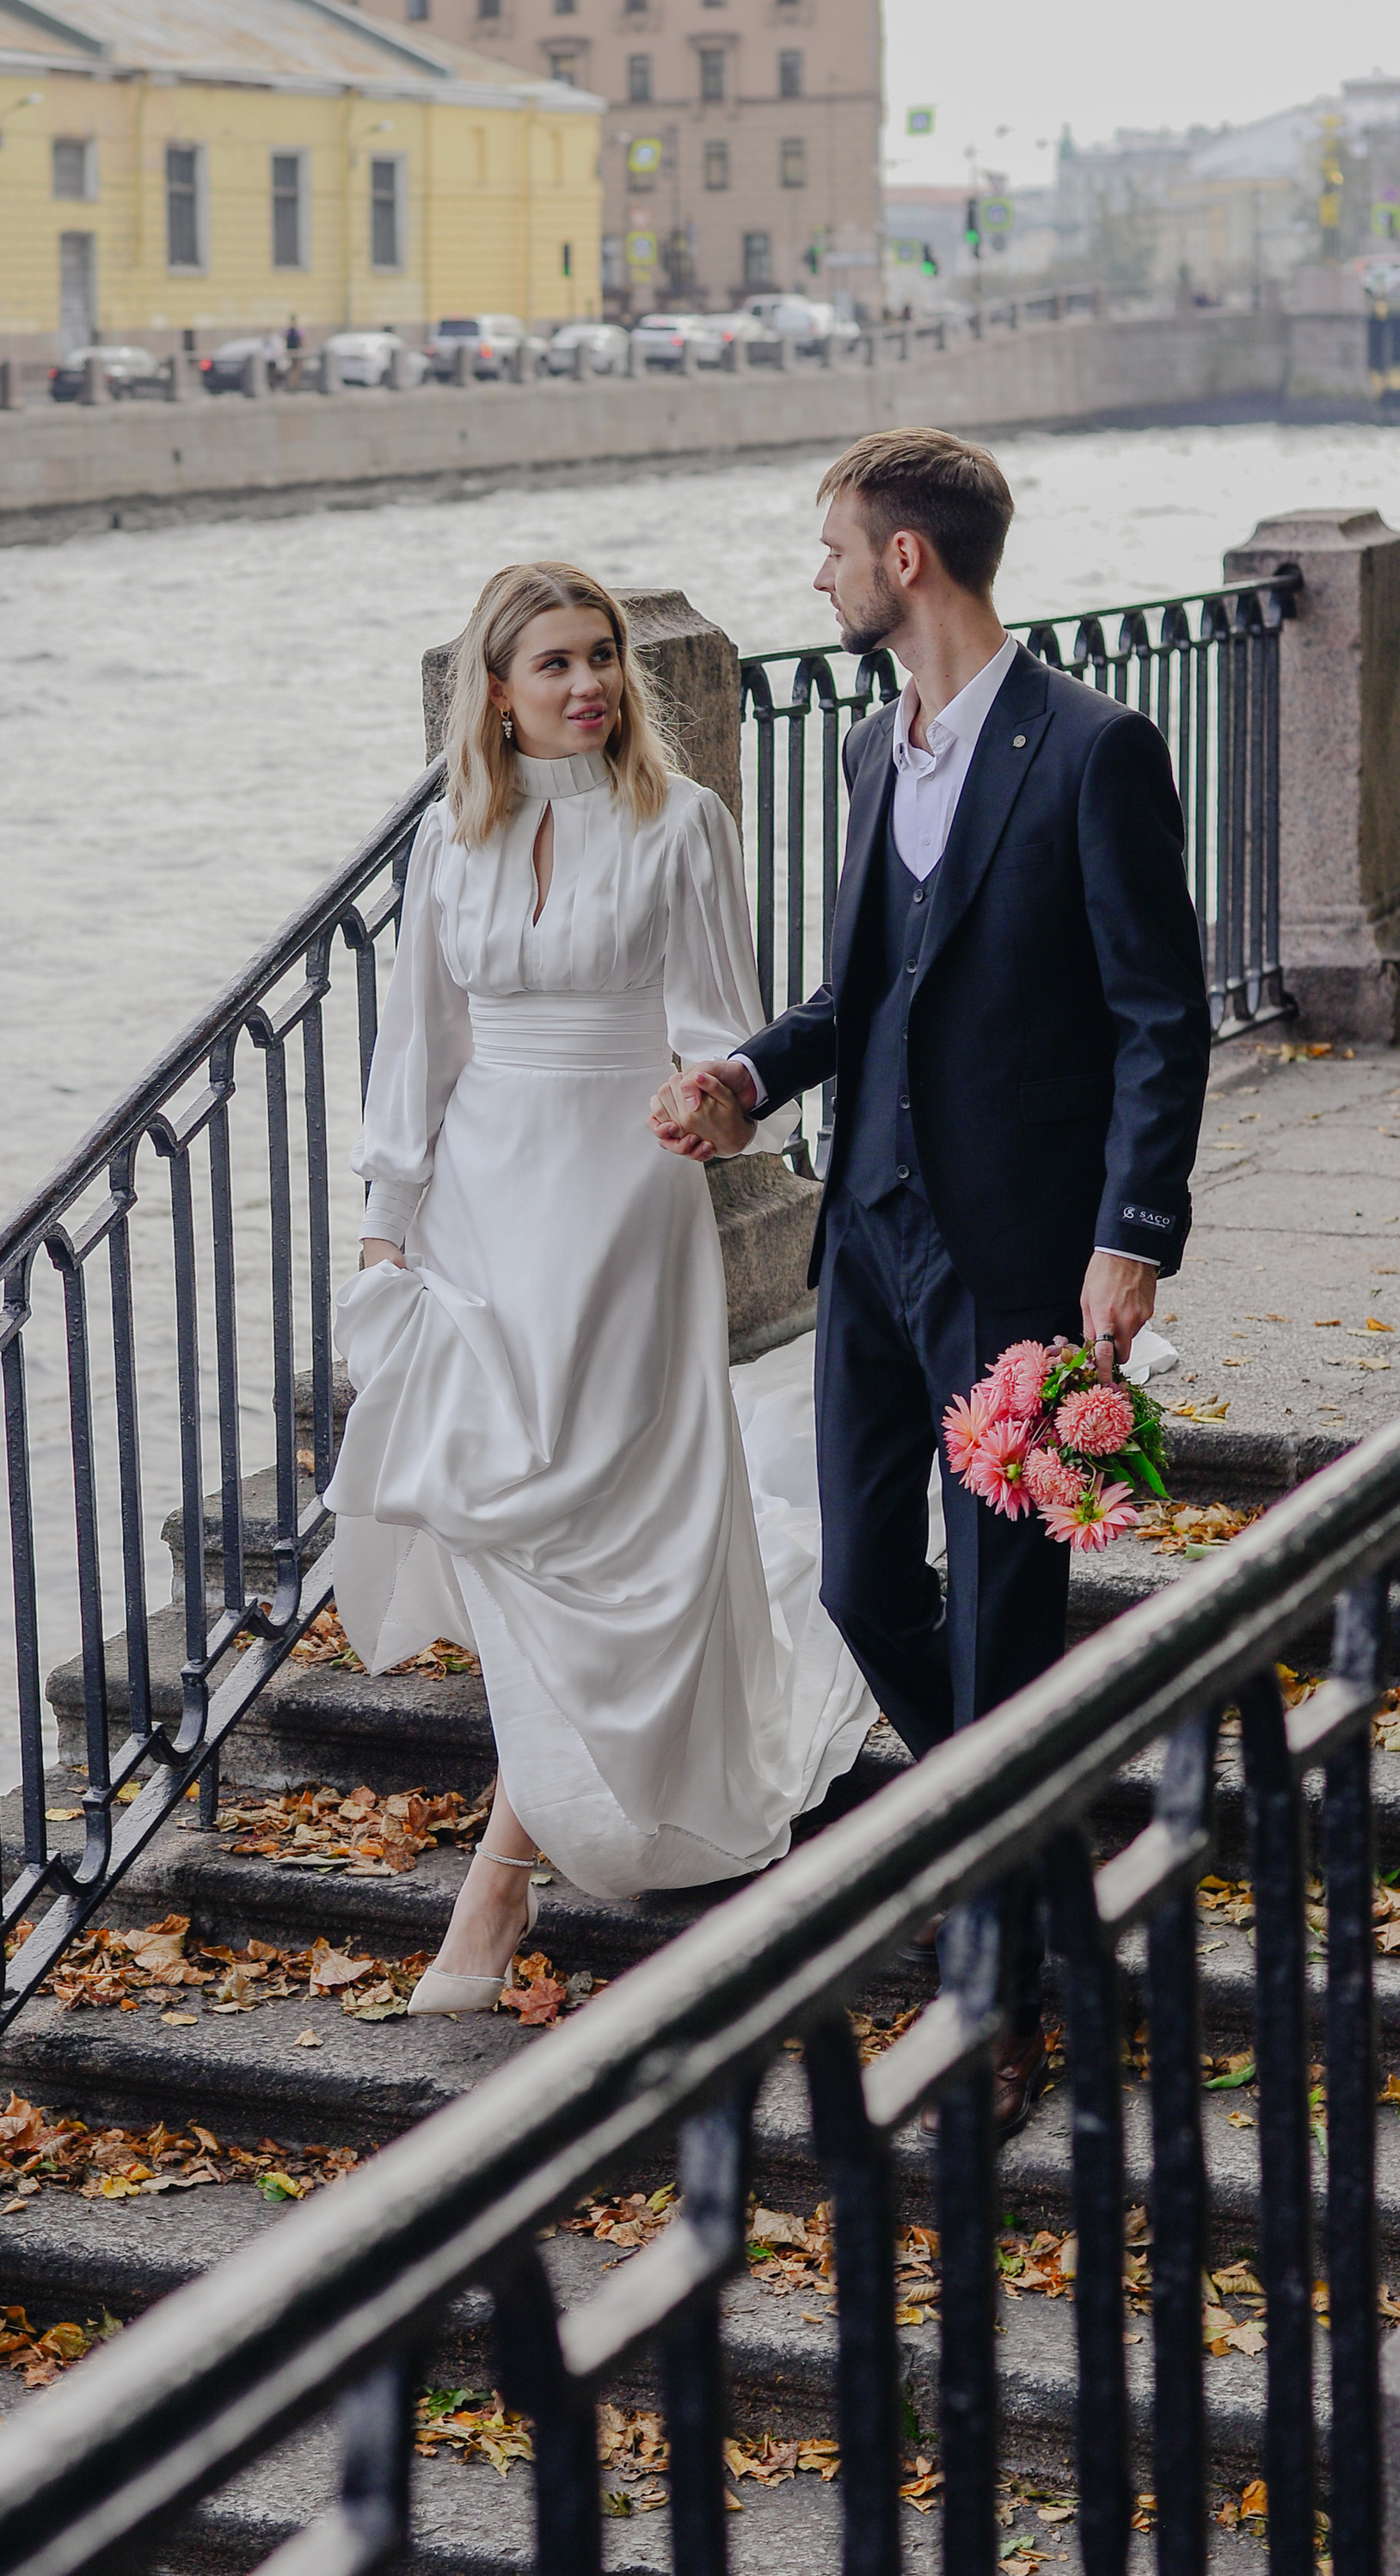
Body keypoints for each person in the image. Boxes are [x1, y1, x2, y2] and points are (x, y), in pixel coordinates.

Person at [654, 427, 1208, 2135]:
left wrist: (1128, 1239)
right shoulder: (861, 753)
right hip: (871, 1243)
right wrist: (746, 1079)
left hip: (1016, 1258)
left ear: (907, 559)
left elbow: (1152, 1017)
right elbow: (863, 994)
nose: (813, 574)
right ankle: (1029, 1847)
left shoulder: (1091, 752)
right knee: (863, 1596)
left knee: (1000, 1623)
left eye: (829, 545)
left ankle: (1007, 1996)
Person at [325, 562, 874, 2015]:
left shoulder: (679, 824)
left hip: (624, 1204)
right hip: (481, 1211)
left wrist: (718, 1104)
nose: (587, 686)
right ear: (495, 690)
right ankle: (533, 1834)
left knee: (610, 1518)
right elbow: (417, 1050)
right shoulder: (452, 839)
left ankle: (498, 1883)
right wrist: (388, 1225)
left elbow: (719, 1024)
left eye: (603, 660)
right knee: (510, 1514)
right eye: (554, 663)